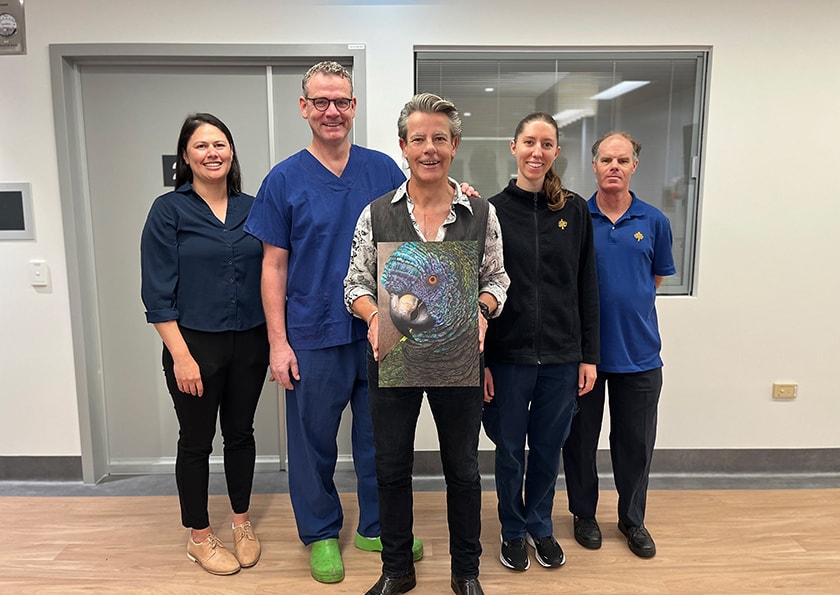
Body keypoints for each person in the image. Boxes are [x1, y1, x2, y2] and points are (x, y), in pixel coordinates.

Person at [243, 61, 423, 584]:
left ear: (354, 106)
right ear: (304, 108)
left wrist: (465, 197)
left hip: (379, 330)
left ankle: (376, 526)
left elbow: (418, 228)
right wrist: (278, 343)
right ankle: (321, 532)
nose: (331, 111)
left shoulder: (383, 170)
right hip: (313, 332)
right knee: (313, 442)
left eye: (341, 101)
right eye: (320, 102)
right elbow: (273, 267)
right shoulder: (283, 179)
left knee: (380, 437)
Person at [345, 92, 509, 595]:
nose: (429, 148)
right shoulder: (376, 214)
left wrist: (482, 310)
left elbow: (497, 279)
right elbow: (356, 284)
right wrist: (374, 316)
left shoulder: (480, 213)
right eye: (419, 139)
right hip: (392, 354)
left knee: (463, 469)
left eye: (440, 138)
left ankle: (466, 572)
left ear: (454, 145)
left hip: (458, 357)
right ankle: (397, 570)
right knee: (391, 467)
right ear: (403, 146)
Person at [140, 113, 269, 575]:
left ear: (231, 151)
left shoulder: (255, 207)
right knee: (196, 441)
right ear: (186, 155)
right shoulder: (168, 211)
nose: (212, 153)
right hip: (193, 346)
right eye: (201, 146)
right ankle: (199, 536)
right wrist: (181, 356)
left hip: (251, 342)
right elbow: (156, 293)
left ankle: (241, 523)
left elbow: (278, 269)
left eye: (220, 144)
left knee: (241, 434)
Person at [482, 112, 599, 572]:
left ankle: (540, 525)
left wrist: (588, 356)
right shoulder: (491, 211)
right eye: (529, 142)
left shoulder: (574, 211)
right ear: (514, 147)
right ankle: (512, 530)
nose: (537, 152)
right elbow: (481, 287)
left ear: (556, 152)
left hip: (562, 357)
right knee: (510, 450)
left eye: (546, 144)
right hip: (508, 357)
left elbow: (586, 287)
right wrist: (482, 363)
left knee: (549, 449)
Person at [562, 131, 676, 559]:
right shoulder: (576, 217)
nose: (614, 167)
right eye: (606, 159)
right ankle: (583, 515)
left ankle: (632, 520)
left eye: (622, 160)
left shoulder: (654, 221)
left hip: (640, 356)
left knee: (636, 445)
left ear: (634, 166)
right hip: (584, 357)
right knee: (579, 442)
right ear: (594, 165)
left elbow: (655, 279)